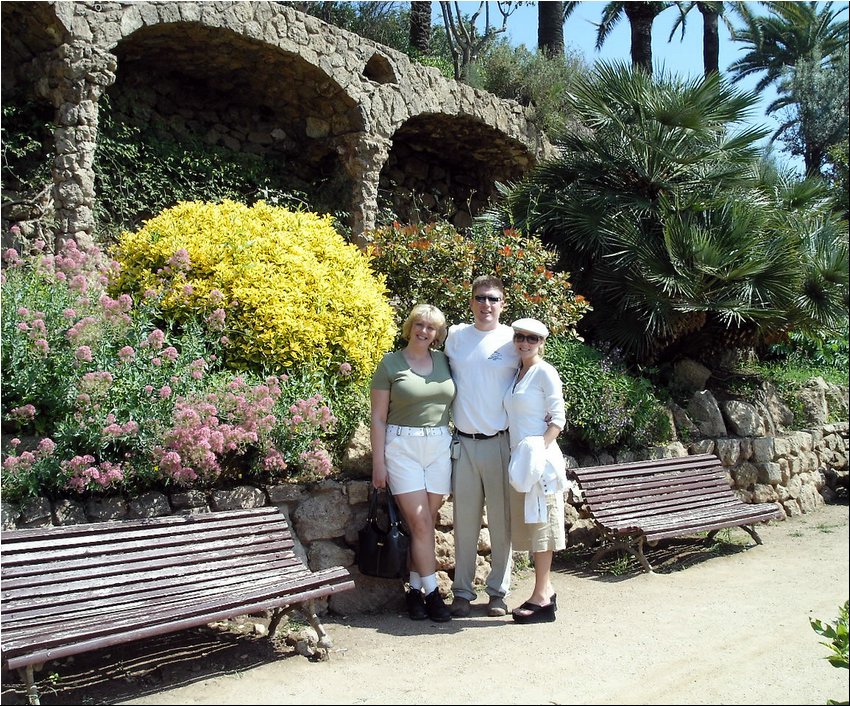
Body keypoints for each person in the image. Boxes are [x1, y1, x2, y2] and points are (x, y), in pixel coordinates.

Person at [370, 303, 455, 622]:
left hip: (438, 446)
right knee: (420, 524)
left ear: (438, 333)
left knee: (426, 524)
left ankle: (414, 593)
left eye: (431, 327)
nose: (424, 331)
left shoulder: (444, 362)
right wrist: (379, 463)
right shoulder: (390, 364)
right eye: (419, 324)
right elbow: (377, 418)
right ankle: (433, 595)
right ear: (409, 327)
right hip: (402, 447)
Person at [444, 275, 520, 618]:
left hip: (500, 443)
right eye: (480, 298)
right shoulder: (456, 337)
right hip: (464, 444)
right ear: (471, 301)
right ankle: (462, 591)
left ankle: (498, 592)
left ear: (503, 304)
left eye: (492, 299)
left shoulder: (513, 340)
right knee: (464, 522)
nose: (486, 304)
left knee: (502, 522)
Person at [503, 317, 568, 624]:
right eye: (520, 337)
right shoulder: (518, 372)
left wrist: (539, 451)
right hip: (521, 461)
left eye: (531, 339)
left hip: (539, 464)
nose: (524, 343)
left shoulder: (545, 372)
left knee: (542, 526)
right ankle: (546, 590)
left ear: (541, 342)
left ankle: (541, 597)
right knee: (531, 525)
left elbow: (558, 419)